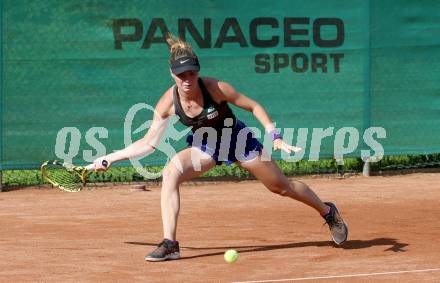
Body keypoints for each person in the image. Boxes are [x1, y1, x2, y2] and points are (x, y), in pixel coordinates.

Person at [93, 34, 348, 262]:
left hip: (237, 140)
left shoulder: (216, 88)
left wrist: (275, 135)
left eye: (191, 73)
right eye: (181, 75)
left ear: (198, 71)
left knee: (281, 187)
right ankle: (170, 244)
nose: (187, 79)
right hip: (207, 146)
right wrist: (112, 157)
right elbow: (148, 143)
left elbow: (253, 106)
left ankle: (328, 211)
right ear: (172, 74)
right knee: (171, 172)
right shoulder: (167, 104)